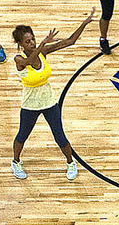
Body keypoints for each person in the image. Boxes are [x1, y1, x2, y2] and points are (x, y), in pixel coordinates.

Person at [11, 10, 93, 181]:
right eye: (28, 41)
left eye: (33, 38)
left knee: (59, 135)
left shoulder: (43, 51)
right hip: (30, 105)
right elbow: (29, 61)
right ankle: (16, 162)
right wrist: (42, 43)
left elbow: (71, 41)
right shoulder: (18, 59)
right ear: (20, 44)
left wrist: (84, 24)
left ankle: (71, 163)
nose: (32, 43)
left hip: (49, 101)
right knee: (22, 135)